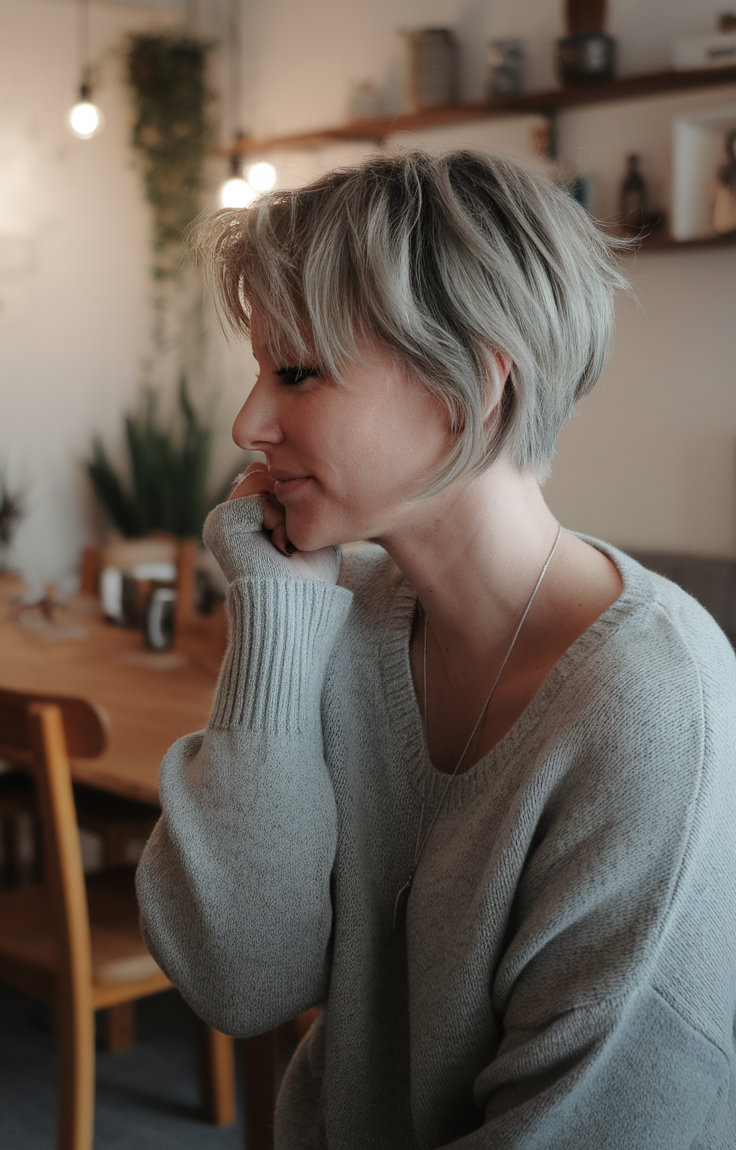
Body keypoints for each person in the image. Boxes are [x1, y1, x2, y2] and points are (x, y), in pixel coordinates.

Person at [136, 149, 736, 1149]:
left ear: (472, 387)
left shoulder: (653, 707)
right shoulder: (339, 621)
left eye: (297, 372)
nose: (249, 422)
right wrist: (276, 616)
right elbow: (243, 975)